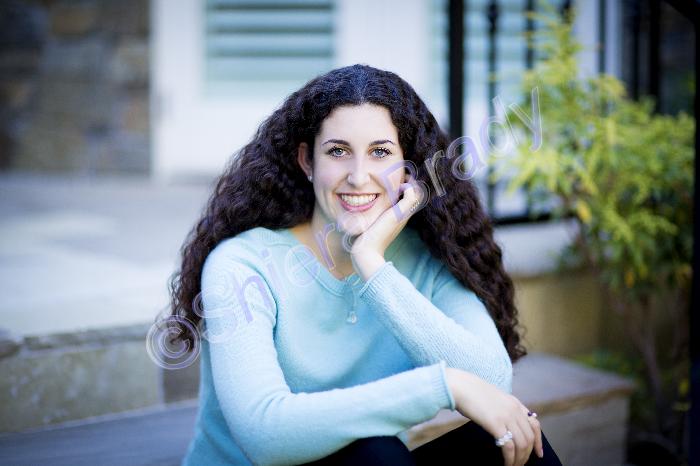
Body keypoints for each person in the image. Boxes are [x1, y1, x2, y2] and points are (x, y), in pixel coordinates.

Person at [169, 64, 563, 466]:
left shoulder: (425, 256)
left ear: (408, 166)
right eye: (338, 152)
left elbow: (492, 381)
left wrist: (371, 263)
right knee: (377, 453)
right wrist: (441, 385)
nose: (359, 177)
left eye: (380, 152)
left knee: (515, 439)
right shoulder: (242, 265)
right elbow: (265, 433)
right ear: (307, 161)